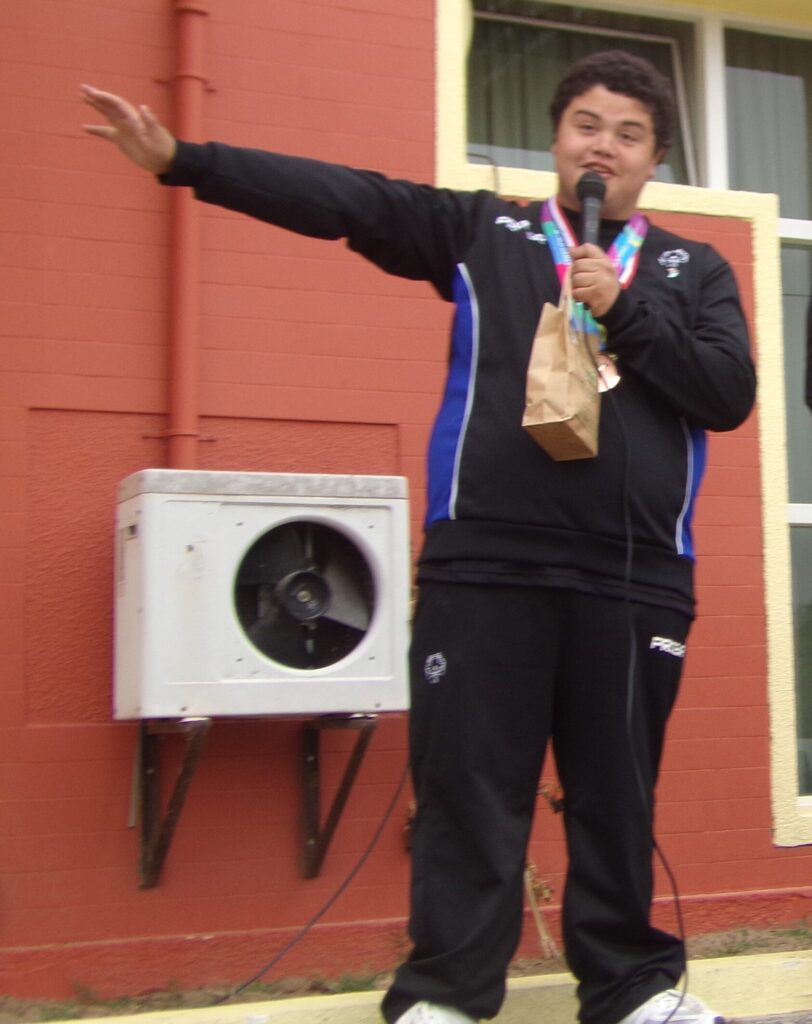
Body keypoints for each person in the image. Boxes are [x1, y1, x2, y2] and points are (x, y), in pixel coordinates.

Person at [81, 49, 756, 1024]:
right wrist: (186, 161)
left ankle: (631, 989)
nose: (602, 147)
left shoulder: (694, 270)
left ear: (654, 161)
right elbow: (349, 200)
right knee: (469, 790)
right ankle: (445, 993)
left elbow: (726, 393)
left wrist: (625, 307)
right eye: (586, 126)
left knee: (617, 797)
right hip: (485, 570)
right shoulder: (485, 231)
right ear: (555, 141)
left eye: (628, 134)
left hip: (633, 579)